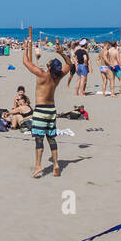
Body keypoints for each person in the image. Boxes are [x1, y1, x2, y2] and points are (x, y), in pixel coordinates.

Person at [22, 36, 74, 178]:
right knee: (51, 138)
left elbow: (26, 61)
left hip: (41, 110)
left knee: (39, 139)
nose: (47, 64)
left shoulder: (42, 75)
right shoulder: (58, 76)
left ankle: (38, 166)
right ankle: (56, 164)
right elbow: (69, 65)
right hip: (52, 110)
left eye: (49, 63)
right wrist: (61, 53)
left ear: (50, 67)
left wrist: (26, 46)